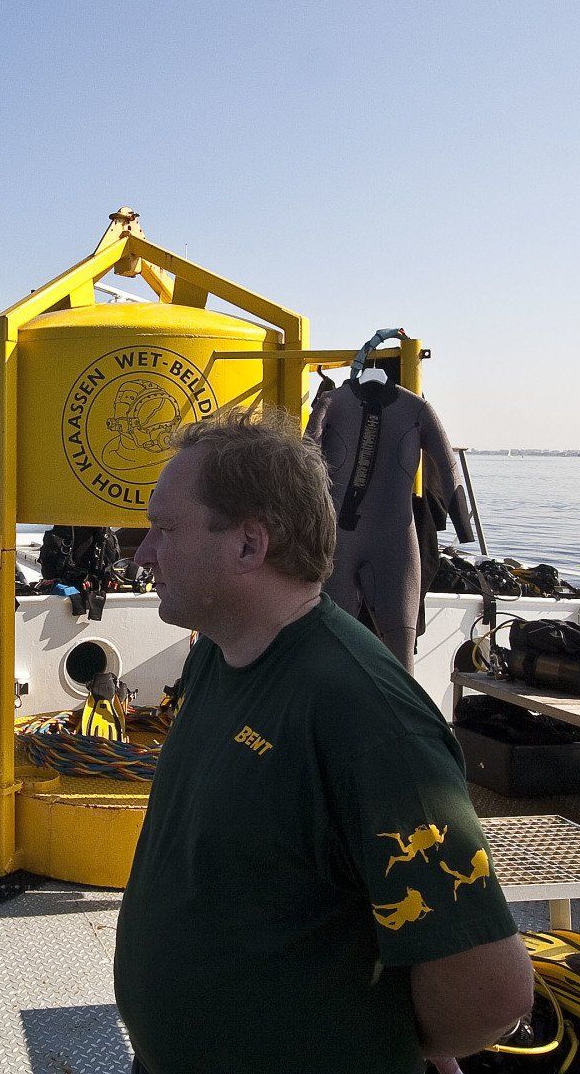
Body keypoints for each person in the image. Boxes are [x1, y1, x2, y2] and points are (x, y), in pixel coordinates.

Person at [114, 408, 532, 1074]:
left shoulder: (365, 715)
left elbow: (491, 994)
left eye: (164, 530)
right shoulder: (217, 655)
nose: (142, 553)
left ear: (249, 545)